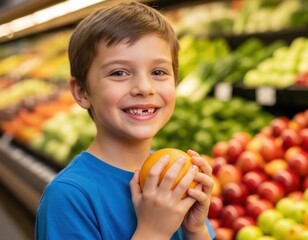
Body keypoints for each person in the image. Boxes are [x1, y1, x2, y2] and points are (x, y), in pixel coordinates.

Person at [35, 1, 215, 239]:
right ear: (82, 92)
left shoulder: (172, 177)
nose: (144, 87)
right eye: (119, 73)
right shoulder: (70, 196)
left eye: (159, 72)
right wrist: (153, 231)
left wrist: (195, 230)